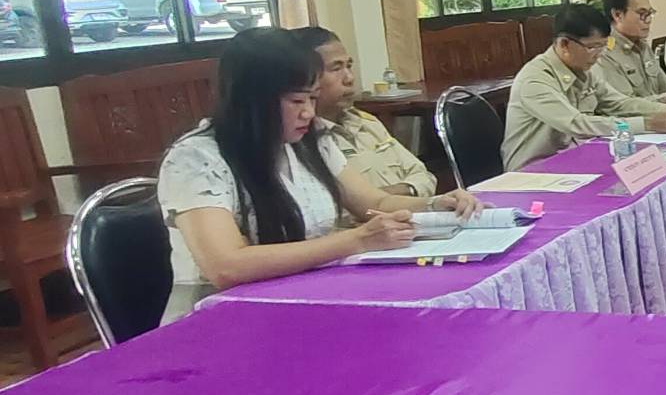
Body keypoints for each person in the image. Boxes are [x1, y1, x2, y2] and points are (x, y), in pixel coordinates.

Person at [159, 28, 480, 322]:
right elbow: (226, 266)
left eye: (312, 98)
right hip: (222, 319)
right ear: (253, 101)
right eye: (296, 101)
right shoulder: (197, 159)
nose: (308, 113)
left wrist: (436, 204)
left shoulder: (309, 141)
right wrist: (356, 240)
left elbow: (374, 202)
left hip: (306, 300)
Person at [504, 2, 666, 170]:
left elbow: (618, 103)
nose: (599, 54)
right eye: (592, 47)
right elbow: (577, 124)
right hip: (532, 173)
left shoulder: (583, 70)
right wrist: (646, 124)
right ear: (564, 44)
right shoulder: (535, 80)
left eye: (603, 46)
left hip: (574, 159)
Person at [286, 26, 436, 198]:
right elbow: (336, 206)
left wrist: (392, 195)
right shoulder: (306, 139)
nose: (349, 78)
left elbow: (425, 176)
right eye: (336, 69)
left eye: (349, 66)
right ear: (307, 77)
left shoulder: (366, 123)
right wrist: (379, 201)